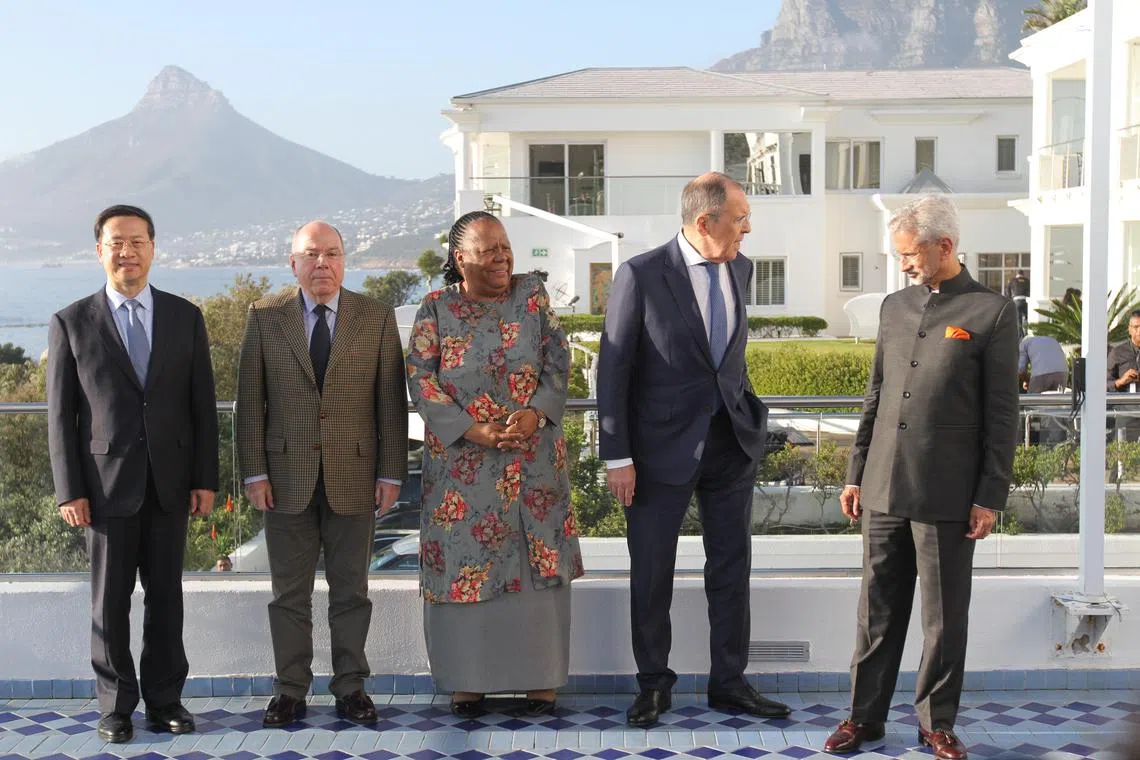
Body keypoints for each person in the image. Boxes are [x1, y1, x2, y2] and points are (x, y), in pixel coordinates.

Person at [824, 195, 1018, 759]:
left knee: (943, 617)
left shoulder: (992, 313)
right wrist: (856, 473)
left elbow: (1002, 414)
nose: (903, 263)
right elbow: (877, 394)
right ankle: (864, 718)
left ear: (945, 246)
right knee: (876, 611)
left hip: (949, 493)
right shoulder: (895, 307)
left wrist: (989, 496)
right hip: (882, 484)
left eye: (910, 254)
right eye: (899, 254)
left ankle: (937, 723)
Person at [597, 172, 788, 728]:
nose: (748, 228)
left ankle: (729, 682)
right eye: (740, 218)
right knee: (652, 572)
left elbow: (724, 359)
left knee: (731, 568)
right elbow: (614, 367)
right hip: (655, 453)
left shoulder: (741, 268)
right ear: (705, 221)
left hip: (732, 444)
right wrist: (617, 455)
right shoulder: (640, 274)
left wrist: (750, 413)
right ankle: (653, 685)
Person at [47, 205, 219, 744]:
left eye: (137, 241)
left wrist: (205, 479)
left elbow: (202, 406)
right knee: (110, 601)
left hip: (171, 485)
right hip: (103, 490)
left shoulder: (185, 317)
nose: (127, 252)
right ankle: (115, 706)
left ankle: (166, 701)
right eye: (116, 242)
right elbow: (60, 417)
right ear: (99, 250)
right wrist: (69, 490)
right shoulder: (71, 322)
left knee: (166, 597)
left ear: (153, 247)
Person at [406, 210, 583, 718]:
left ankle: (540, 680)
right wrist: (471, 429)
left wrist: (536, 413)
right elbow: (420, 377)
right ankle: (469, 682)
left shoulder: (533, 296)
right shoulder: (435, 308)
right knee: (466, 562)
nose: (502, 257)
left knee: (535, 566)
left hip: (533, 462)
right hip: (463, 472)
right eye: (488, 250)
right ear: (460, 258)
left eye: (505, 247)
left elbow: (559, 358)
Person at [235, 220, 408, 728]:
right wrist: (253, 473)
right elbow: (250, 404)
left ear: (344, 261)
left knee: (351, 592)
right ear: (293, 264)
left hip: (355, 475)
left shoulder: (375, 317)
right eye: (311, 254)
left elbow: (390, 403)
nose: (322, 264)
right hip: (284, 479)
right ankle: (290, 690)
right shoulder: (265, 316)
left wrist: (392, 472)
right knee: (289, 595)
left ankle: (351, 687)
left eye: (332, 253)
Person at [1005, 269, 1030, 335]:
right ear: (1023, 274)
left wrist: (1009, 299)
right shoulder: (1027, 281)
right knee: (1027, 317)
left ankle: (1020, 335)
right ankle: (1026, 333)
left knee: (1018, 319)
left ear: (1017, 274)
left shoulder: (1012, 280)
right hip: (1025, 301)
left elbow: (1008, 291)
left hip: (1016, 301)